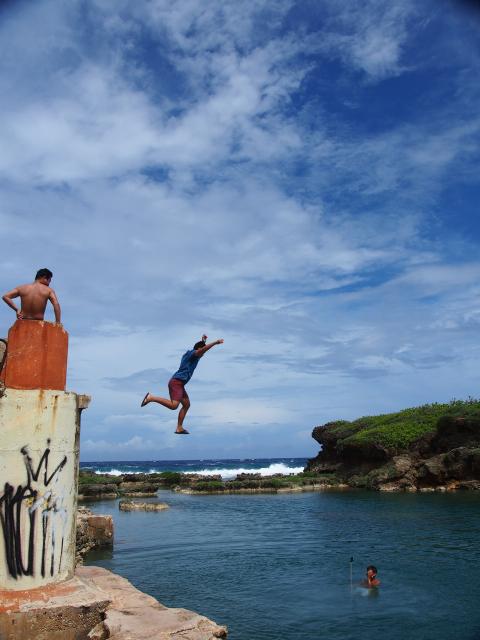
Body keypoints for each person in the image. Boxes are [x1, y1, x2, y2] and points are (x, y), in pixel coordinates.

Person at [141, 335, 224, 434]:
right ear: (199, 349)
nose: (203, 355)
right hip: (177, 382)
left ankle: (179, 428)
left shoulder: (190, 354)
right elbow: (201, 350)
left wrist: (203, 341)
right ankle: (151, 398)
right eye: (202, 352)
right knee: (174, 406)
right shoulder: (193, 354)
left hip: (179, 384)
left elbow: (201, 348)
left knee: (186, 404)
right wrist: (215, 342)